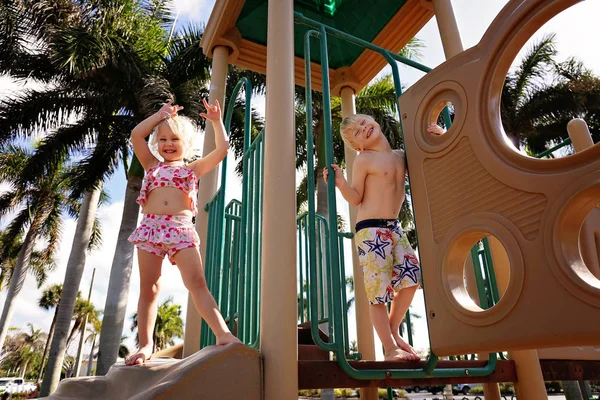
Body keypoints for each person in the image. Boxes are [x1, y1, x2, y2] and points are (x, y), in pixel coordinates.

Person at [126, 98, 241, 365]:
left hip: (180, 228)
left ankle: (222, 333)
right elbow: (136, 135)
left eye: (174, 139)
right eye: (163, 139)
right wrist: (159, 115)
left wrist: (216, 122)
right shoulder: (151, 166)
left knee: (197, 284)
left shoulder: (192, 169)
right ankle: (145, 345)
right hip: (151, 229)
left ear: (185, 144)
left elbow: (222, 149)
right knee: (150, 288)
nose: (168, 144)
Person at [324, 114, 443, 361]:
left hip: (394, 227)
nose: (363, 127)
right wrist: (340, 183)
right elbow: (356, 197)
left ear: (374, 121)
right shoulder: (364, 159)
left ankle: (392, 330)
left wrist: (440, 137)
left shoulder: (401, 155)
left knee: (412, 278)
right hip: (370, 230)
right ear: (358, 146)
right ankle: (389, 348)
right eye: (357, 131)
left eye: (364, 122)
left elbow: (430, 162)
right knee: (378, 293)